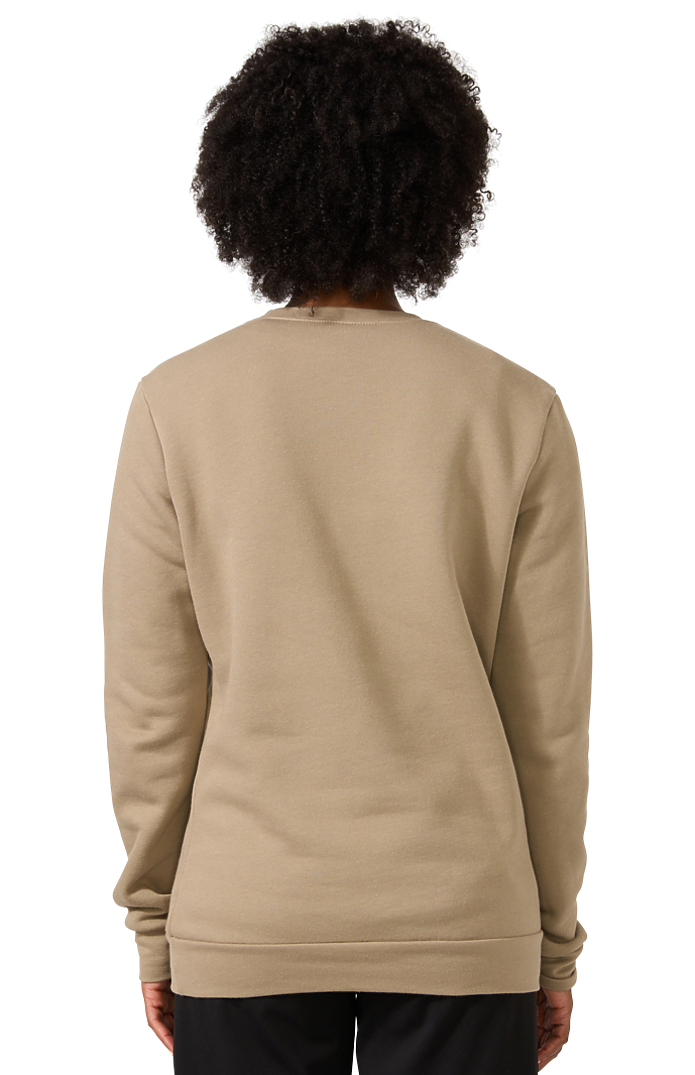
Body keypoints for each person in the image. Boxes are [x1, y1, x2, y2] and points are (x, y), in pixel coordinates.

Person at [102, 17, 591, 1075]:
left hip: (247, 912)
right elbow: (546, 719)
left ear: (248, 185)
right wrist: (550, 943)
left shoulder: (176, 404)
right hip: (462, 916)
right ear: (439, 186)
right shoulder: (513, 408)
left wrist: (156, 922)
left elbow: (151, 705)